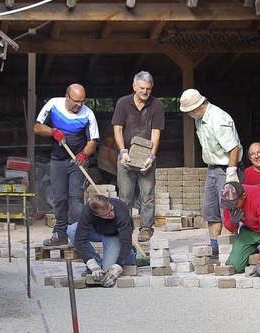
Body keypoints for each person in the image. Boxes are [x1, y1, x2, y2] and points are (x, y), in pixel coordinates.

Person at [180, 88, 244, 259]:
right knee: (211, 210)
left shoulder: (218, 118)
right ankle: (215, 247)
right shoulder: (200, 120)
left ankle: (234, 248)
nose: (188, 115)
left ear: (196, 107)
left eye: (188, 112)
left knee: (229, 210)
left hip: (226, 168)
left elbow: (233, 148)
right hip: (212, 168)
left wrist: (231, 173)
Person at [35, 83, 100, 246]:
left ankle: (78, 234)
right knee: (59, 198)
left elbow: (93, 141)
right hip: (58, 160)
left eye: (82, 101)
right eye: (76, 101)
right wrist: (53, 131)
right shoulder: (53, 105)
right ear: (67, 97)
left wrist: (84, 153)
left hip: (78, 161)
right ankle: (60, 233)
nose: (79, 105)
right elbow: (37, 127)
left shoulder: (88, 114)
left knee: (75, 198)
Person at [112, 71, 165, 243]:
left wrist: (151, 156)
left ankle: (146, 229)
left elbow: (155, 133)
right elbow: (118, 129)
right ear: (134, 86)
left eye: (148, 89)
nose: (145, 92)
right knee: (125, 196)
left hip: (145, 156)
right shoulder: (123, 103)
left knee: (147, 195)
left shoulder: (156, 105)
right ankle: (125, 229)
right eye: (142, 88)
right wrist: (123, 152)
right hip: (127, 155)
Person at [67, 195, 136, 288]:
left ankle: (130, 256)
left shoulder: (120, 209)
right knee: (72, 230)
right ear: (96, 214)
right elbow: (80, 240)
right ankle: (97, 262)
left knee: (108, 269)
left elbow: (126, 242)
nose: (112, 214)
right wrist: (91, 264)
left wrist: (118, 267)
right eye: (106, 214)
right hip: (97, 231)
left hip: (114, 234)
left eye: (111, 209)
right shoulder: (87, 211)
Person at [220, 182, 260, 278]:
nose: (232, 208)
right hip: (249, 229)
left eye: (235, 204)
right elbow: (232, 228)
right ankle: (254, 250)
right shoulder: (228, 200)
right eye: (229, 206)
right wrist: (233, 222)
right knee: (235, 267)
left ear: (243, 196)